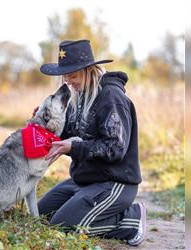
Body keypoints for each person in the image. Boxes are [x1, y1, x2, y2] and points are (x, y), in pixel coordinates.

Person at [36, 39, 146, 246]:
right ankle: (86, 210)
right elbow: (68, 134)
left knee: (61, 226)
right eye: (65, 76)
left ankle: (131, 220)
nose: (68, 80)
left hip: (115, 183)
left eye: (73, 75)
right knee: (41, 215)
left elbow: (115, 148)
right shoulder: (78, 97)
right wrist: (45, 122)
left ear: (88, 70)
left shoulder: (111, 97)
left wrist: (74, 147)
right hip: (84, 181)